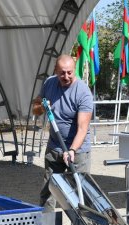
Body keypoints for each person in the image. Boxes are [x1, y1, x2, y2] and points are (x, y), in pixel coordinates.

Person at [32, 54, 93, 213]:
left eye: (69, 72)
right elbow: (36, 107)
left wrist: (72, 150)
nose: (66, 76)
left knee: (80, 195)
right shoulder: (49, 83)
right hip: (54, 148)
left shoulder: (83, 92)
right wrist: (43, 108)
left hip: (78, 152)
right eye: (62, 73)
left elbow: (82, 128)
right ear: (55, 71)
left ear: (74, 71)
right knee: (48, 192)